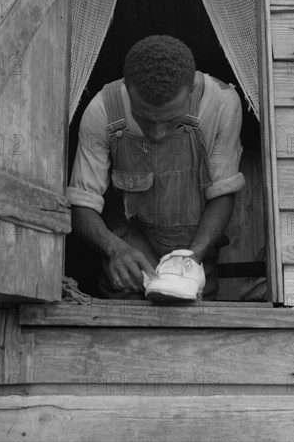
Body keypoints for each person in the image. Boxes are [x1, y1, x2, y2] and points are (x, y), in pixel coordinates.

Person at [67, 35, 245, 300]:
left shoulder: (221, 103)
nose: (159, 133)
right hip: (126, 274)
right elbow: (82, 204)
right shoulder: (102, 110)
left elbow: (222, 192)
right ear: (127, 88)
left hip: (192, 268)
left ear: (191, 90)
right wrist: (114, 249)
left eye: (171, 120)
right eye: (146, 120)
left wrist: (193, 257)